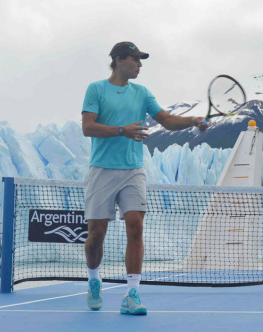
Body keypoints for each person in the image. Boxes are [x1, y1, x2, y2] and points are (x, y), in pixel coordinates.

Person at [81, 41, 208, 315]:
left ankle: (132, 293)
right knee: (96, 236)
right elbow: (88, 127)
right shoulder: (96, 89)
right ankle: (94, 279)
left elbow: (166, 120)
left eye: (140, 60)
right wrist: (121, 130)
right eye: (135, 59)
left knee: (136, 225)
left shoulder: (142, 93)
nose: (140, 64)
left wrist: (193, 120)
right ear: (118, 60)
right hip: (102, 169)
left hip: (133, 170)